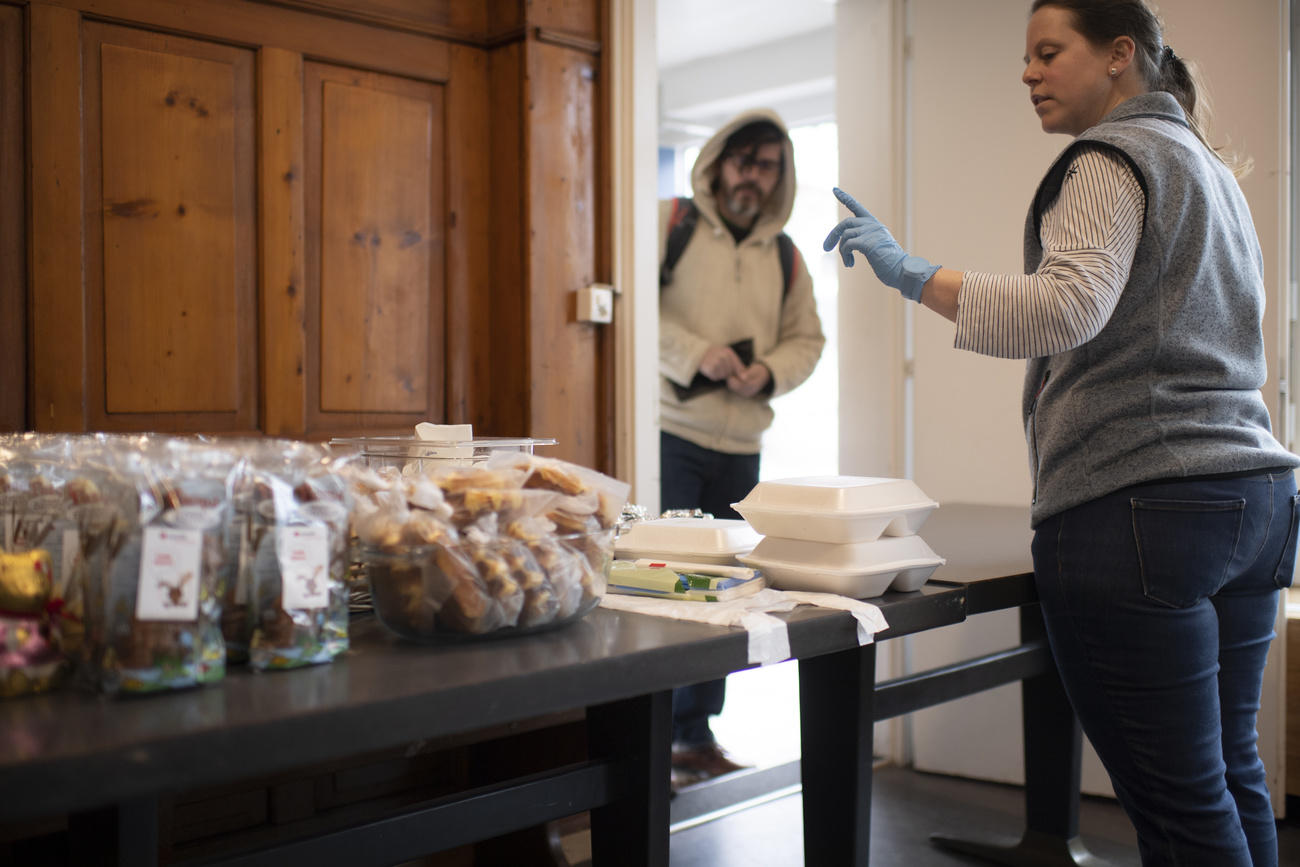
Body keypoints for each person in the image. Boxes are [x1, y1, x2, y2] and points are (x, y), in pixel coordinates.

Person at [823, 2, 1299, 864]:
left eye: (1049, 52)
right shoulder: (1209, 169)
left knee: (1185, 805)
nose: (1028, 72)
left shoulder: (1110, 156)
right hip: (1255, 501)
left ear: (1120, 55)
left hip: (1145, 509)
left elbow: (1063, 306)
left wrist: (910, 272)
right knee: (1229, 773)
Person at [659, 109, 825, 789]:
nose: (752, 177)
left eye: (767, 166)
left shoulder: (786, 255)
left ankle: (696, 736)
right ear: (719, 160)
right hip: (669, 433)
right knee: (668, 589)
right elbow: (633, 303)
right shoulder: (668, 224)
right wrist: (699, 353)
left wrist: (770, 372)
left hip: (742, 446)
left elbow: (807, 340)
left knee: (724, 594)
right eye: (743, 161)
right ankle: (657, 735)